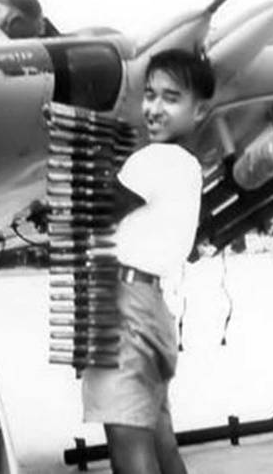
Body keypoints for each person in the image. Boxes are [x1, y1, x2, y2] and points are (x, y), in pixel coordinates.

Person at [82, 48, 216, 474]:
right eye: (150, 95)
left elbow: (100, 210)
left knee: (129, 446)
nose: (154, 108)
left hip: (124, 307)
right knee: (161, 442)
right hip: (150, 306)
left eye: (170, 98)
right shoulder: (187, 165)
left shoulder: (153, 159)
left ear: (199, 111)